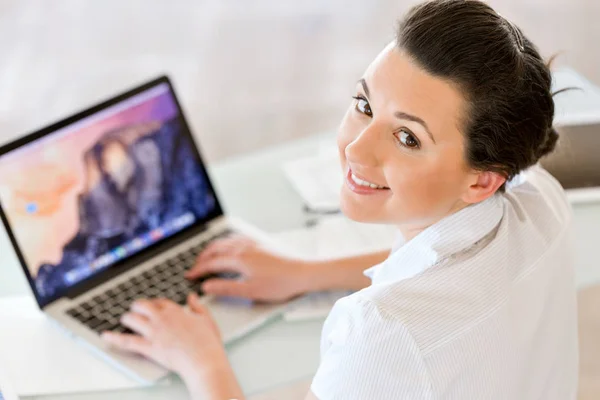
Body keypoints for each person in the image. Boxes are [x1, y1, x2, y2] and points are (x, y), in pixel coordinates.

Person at [101, 0, 579, 399]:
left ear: (481, 181)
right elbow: (443, 270)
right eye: (365, 105)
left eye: (408, 137)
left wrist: (201, 361)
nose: (355, 148)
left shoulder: (380, 335)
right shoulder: (542, 200)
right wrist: (304, 275)